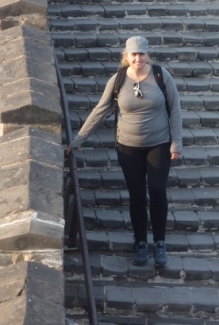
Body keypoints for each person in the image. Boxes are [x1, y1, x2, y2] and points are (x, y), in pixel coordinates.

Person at [67, 35, 183, 268]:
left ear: (148, 54)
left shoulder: (161, 76)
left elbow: (175, 109)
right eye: (134, 54)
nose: (138, 58)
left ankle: (159, 243)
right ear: (126, 56)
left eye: (142, 54)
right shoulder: (118, 80)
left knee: (157, 190)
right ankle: (140, 243)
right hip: (128, 147)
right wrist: (78, 140)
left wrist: (176, 143)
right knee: (137, 194)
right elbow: (100, 110)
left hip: (159, 143)